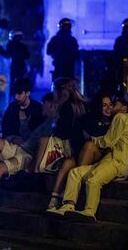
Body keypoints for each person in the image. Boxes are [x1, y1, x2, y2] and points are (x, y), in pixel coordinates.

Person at [48, 98, 128, 222]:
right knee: (75, 172)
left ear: (124, 108)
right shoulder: (124, 121)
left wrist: (92, 139)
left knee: (93, 179)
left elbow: (108, 141)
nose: (111, 107)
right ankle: (67, 205)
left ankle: (90, 211)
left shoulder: (122, 117)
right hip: (112, 160)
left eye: (114, 104)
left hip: (119, 161)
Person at [0, 92, 57, 191]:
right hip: (22, 149)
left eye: (44, 103)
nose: (42, 105)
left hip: (26, 156)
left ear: (51, 104)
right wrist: (23, 122)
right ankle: (6, 175)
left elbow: (43, 148)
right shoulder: (46, 121)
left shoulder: (53, 125)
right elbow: (29, 139)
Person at [32, 78, 86, 211]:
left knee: (44, 142)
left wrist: (55, 128)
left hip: (72, 147)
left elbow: (64, 132)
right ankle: (41, 179)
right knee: (45, 144)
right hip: (76, 147)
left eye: (53, 90)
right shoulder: (78, 104)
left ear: (59, 91)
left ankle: (36, 174)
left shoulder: (67, 107)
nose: (52, 93)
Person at [0, 78, 44, 147]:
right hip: (12, 145)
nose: (16, 97)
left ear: (28, 93)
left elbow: (38, 135)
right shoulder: (12, 107)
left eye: (19, 93)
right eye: (15, 93)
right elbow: (6, 132)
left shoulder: (37, 109)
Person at [78, 94, 113, 166]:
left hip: (107, 156)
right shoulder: (90, 119)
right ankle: (79, 174)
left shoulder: (115, 120)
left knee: (90, 145)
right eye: (104, 105)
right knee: (89, 145)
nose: (108, 108)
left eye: (110, 104)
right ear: (98, 107)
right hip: (90, 153)